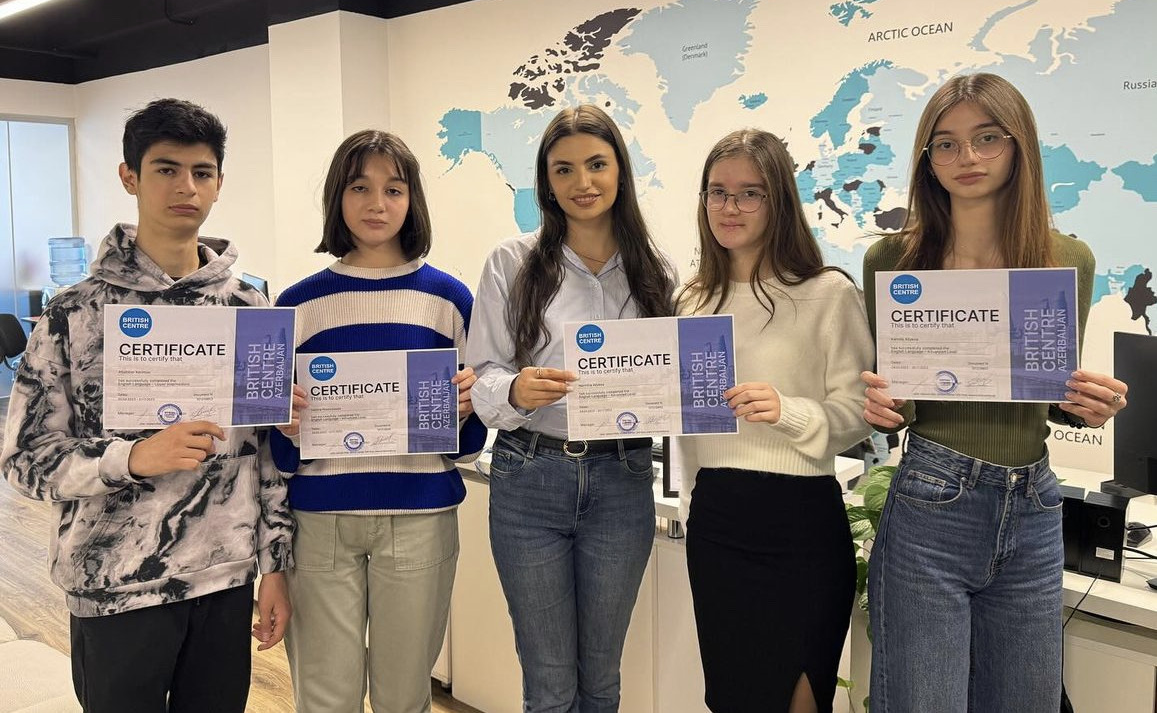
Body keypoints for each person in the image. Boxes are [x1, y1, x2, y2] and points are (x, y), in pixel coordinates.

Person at [0, 98, 294, 713]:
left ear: (218, 183)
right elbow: (24, 460)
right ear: (129, 177)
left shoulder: (250, 309)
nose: (186, 187)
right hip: (113, 583)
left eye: (202, 172)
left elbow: (266, 456)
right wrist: (131, 459)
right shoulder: (75, 313)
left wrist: (275, 564)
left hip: (223, 578)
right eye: (166, 169)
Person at [860, 73, 1129, 713]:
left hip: (1034, 505)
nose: (967, 157)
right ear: (927, 158)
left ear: (1019, 146)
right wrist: (882, 408)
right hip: (931, 501)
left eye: (987, 138)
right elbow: (899, 402)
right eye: (946, 144)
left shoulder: (1067, 258)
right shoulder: (891, 261)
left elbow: (1050, 391)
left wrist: (1090, 406)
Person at [466, 104, 675, 713]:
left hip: (622, 478)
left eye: (596, 165)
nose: (582, 182)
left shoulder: (655, 270)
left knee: (602, 678)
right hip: (529, 476)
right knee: (550, 682)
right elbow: (481, 375)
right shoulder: (511, 262)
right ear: (546, 181)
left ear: (620, 171)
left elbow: (669, 380)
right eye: (564, 169)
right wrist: (514, 390)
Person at [269, 130, 486, 713]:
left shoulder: (450, 300)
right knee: (324, 697)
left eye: (394, 189)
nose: (377, 204)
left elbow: (468, 444)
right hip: (320, 520)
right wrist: (284, 424)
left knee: (404, 697)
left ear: (412, 200)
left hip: (421, 517)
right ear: (337, 197)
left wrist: (467, 408)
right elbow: (272, 446)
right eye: (359, 187)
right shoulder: (297, 304)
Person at [676, 129, 873, 713]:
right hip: (716, 523)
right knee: (734, 699)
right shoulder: (690, 301)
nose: (729, 207)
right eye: (717, 191)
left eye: (749, 193)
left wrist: (788, 412)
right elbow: (684, 426)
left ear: (779, 200)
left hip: (801, 524)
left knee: (800, 699)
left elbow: (860, 414)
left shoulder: (828, 292)